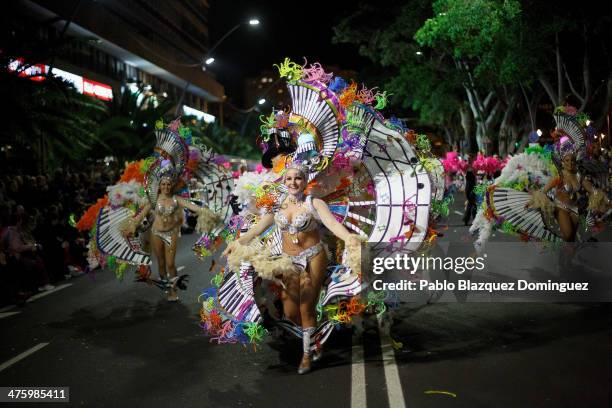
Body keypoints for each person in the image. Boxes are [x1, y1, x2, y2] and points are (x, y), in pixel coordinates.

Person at [223, 164, 364, 374]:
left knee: (306, 305)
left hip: (314, 257)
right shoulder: (278, 205)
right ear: (284, 182)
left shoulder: (314, 203)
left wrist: (351, 240)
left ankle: (306, 355)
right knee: (290, 311)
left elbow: (333, 226)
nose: (293, 183)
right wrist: (238, 242)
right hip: (288, 260)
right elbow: (259, 228)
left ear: (305, 181)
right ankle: (314, 336)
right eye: (288, 179)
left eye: (298, 178)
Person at [124, 174, 209, 301]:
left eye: (168, 184)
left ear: (172, 186)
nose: (166, 187)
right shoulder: (154, 200)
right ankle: (167, 289)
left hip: (171, 234)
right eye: (163, 184)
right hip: (156, 233)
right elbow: (141, 216)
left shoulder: (176, 199)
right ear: (159, 186)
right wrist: (131, 226)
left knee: (170, 264)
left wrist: (205, 211)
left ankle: (174, 290)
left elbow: (193, 207)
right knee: (161, 264)